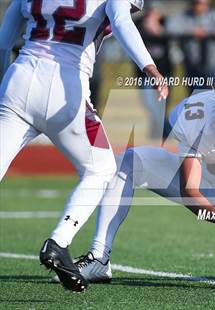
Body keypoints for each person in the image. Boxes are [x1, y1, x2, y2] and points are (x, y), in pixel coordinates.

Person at [60, 68, 215, 284]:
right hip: (208, 185)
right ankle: (99, 256)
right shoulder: (196, 115)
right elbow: (190, 190)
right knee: (129, 161)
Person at [0, 0, 168, 292]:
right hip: (66, 85)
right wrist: (150, 67)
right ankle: (59, 242)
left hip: (19, 76)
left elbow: (4, 41)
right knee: (101, 168)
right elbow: (121, 21)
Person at [166, 0, 215, 92]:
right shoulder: (184, 16)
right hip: (190, 65)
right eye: (196, 2)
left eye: (202, 3)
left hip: (210, 67)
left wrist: (210, 33)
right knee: (192, 97)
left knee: (209, 95)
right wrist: (191, 32)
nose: (199, 6)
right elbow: (170, 28)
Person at [134, 4, 173, 140]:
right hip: (144, 74)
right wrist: (145, 28)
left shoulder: (166, 23)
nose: (151, 13)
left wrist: (157, 29)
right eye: (149, 11)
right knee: (150, 105)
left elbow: (173, 36)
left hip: (164, 72)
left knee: (161, 106)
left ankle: (163, 133)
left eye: (154, 11)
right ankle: (170, 132)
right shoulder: (138, 24)